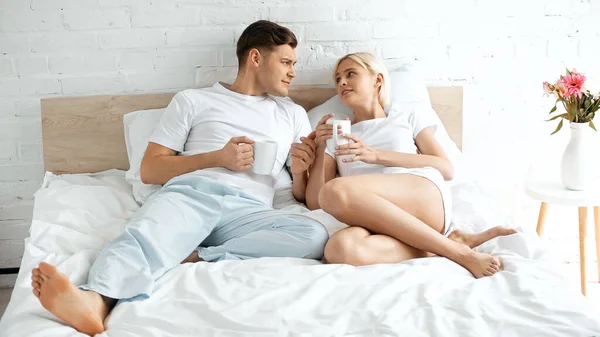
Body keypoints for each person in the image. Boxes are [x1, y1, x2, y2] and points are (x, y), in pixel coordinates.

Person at [29, 20, 328, 336]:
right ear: (255, 58)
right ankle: (95, 300)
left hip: (251, 210)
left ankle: (195, 255)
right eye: (286, 62)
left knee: (313, 234)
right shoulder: (194, 101)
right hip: (194, 194)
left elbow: (300, 197)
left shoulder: (291, 113)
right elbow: (150, 169)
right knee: (142, 237)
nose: (293, 72)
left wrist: (298, 173)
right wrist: (217, 158)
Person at [305, 52, 516, 277]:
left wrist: (376, 156)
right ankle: (448, 245)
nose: (342, 82)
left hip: (422, 198)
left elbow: (446, 168)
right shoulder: (338, 134)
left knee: (336, 190)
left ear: (377, 80)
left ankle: (459, 255)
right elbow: (317, 201)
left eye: (350, 74)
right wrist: (320, 146)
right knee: (340, 249)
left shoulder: (406, 115)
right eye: (337, 79)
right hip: (374, 217)